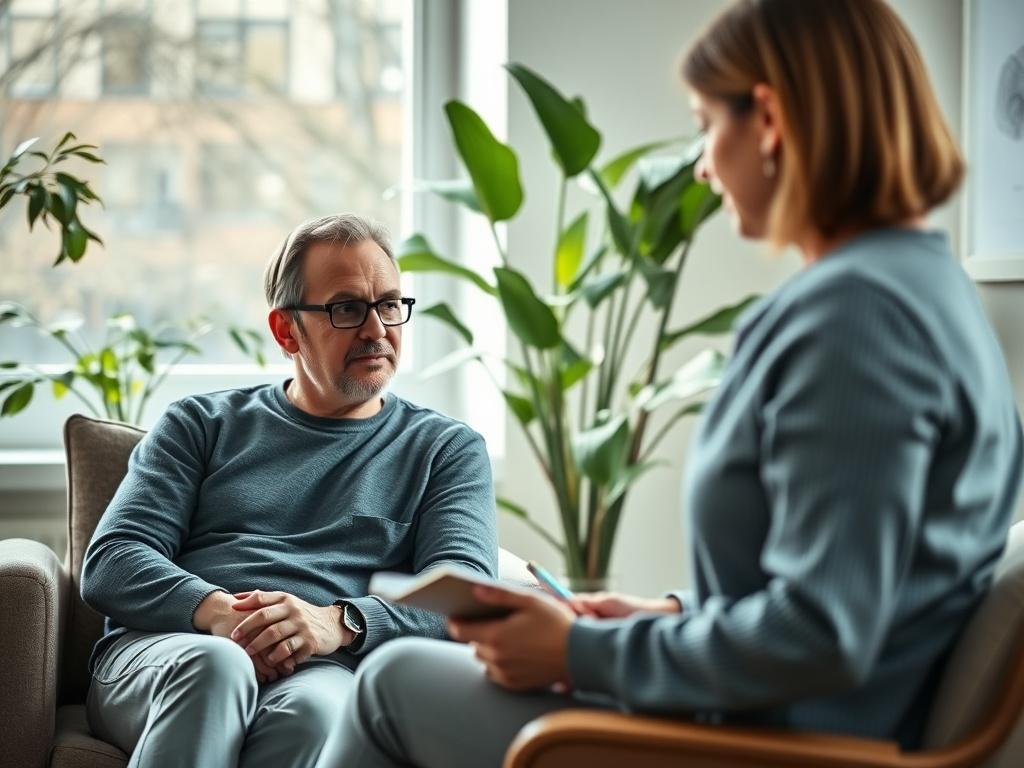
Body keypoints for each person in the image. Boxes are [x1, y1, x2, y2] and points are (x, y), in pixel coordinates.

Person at [334, 1, 1024, 765]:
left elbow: (825, 634)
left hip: (778, 747)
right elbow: (856, 583)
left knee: (389, 679)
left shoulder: (853, 315)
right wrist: (659, 615)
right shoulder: (930, 287)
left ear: (766, 119)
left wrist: (581, 655)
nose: (701, 163)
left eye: (706, 125)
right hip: (781, 719)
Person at [79, 213, 498, 768]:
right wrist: (219, 613)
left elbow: (462, 595)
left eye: (390, 304)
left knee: (319, 717)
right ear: (286, 331)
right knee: (217, 668)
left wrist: (340, 621)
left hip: (323, 670)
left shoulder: (444, 449)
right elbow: (111, 561)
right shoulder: (200, 424)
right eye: (347, 308)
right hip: (171, 654)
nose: (377, 330)